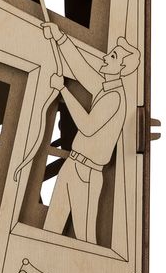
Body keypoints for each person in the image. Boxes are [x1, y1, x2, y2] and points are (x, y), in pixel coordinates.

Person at [40, 23, 140, 244]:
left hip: (87, 173)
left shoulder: (115, 97)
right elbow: (81, 69)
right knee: (50, 229)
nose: (105, 58)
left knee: (85, 242)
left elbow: (87, 126)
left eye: (112, 57)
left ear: (122, 68)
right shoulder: (105, 88)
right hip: (73, 165)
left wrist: (63, 90)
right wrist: (59, 38)